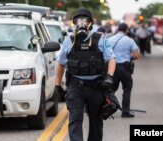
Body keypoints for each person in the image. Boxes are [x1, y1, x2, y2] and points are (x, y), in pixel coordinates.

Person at [54, 8, 116, 141]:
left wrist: (109, 76)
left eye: (85, 20)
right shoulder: (69, 40)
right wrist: (57, 86)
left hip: (96, 87)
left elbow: (111, 58)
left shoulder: (100, 39)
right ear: (74, 23)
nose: (81, 22)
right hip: (76, 87)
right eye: (78, 20)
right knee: (75, 119)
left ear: (90, 23)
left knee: (96, 120)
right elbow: (60, 63)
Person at [108, 23, 140, 118]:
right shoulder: (130, 40)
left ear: (118, 29)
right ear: (126, 30)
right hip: (125, 68)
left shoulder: (110, 40)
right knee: (127, 89)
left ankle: (108, 110)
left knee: (111, 89)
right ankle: (125, 112)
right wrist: (129, 57)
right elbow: (136, 55)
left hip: (112, 68)